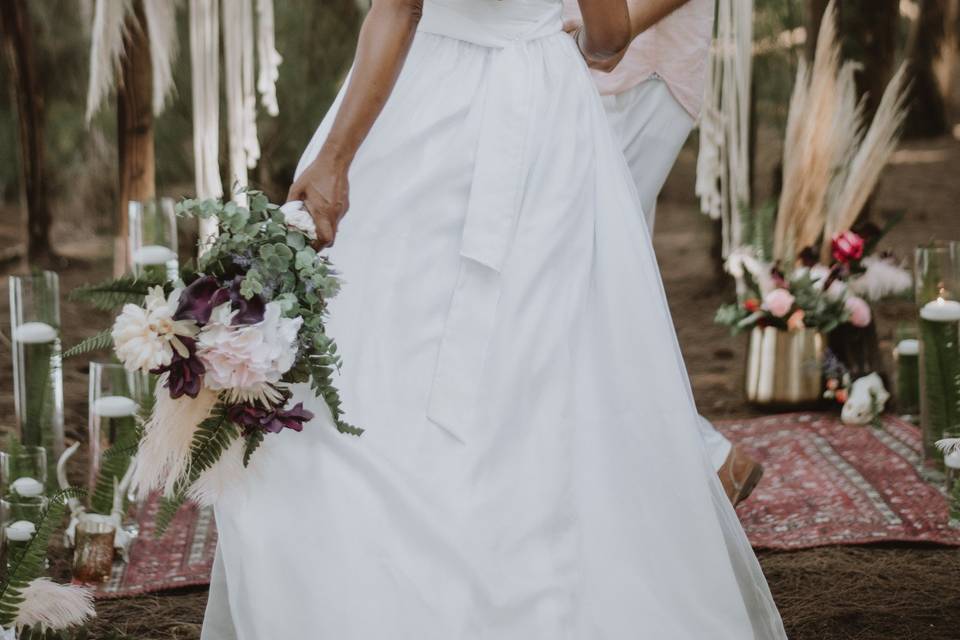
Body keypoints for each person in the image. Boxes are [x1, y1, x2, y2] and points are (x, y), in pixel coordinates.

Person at [202, 1, 786, 638]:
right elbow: (610, 36)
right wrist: (578, 37)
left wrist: (336, 159)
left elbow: (397, 8)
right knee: (538, 372)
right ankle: (532, 585)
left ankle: (374, 590)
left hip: (415, 103)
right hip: (544, 116)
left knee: (370, 352)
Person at [563, 0, 764, 506]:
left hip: (635, 69)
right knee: (597, 279)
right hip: (582, 64)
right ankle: (692, 463)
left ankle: (704, 459)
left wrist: (612, 30)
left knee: (581, 276)